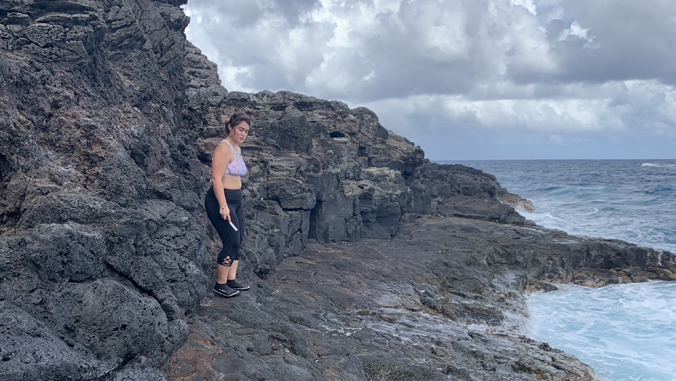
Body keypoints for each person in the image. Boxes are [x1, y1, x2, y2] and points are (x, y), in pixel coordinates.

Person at [204, 113, 251, 298]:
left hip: (236, 201)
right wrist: (223, 205)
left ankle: (231, 280)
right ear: (231, 127)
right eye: (240, 129)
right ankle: (220, 285)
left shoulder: (237, 149)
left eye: (246, 131)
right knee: (231, 241)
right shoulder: (223, 148)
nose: (243, 134)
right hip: (220, 200)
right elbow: (216, 178)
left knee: (238, 240)